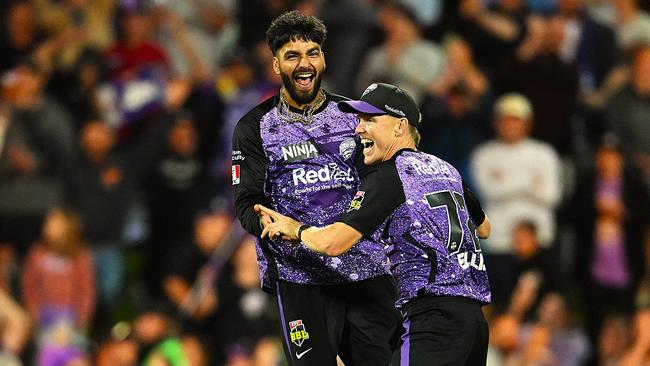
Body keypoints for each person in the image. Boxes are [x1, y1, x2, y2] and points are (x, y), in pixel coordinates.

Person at [257, 82, 492, 366]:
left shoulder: (389, 177)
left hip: (432, 322)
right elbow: (484, 228)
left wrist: (295, 228)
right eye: (359, 119)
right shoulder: (446, 170)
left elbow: (333, 243)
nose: (359, 128)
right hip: (474, 323)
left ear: (400, 126)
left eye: (370, 119)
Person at [231, 11, 399, 366]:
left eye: (313, 53)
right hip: (299, 276)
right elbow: (246, 200)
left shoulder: (354, 116)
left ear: (323, 58)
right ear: (276, 64)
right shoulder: (254, 128)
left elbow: (383, 178)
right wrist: (269, 225)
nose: (304, 63)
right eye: (292, 56)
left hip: (364, 269)